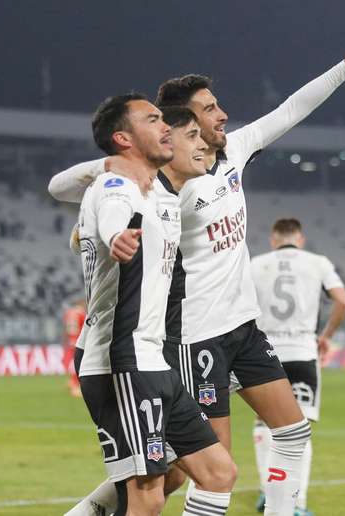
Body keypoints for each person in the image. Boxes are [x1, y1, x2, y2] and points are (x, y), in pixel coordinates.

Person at [49, 17, 345, 515]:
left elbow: (291, 109)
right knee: (184, 474)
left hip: (244, 327)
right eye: (210, 109)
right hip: (193, 337)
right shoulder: (166, 184)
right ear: (180, 125)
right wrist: (104, 206)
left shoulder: (233, 153)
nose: (223, 115)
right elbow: (96, 203)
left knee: (290, 432)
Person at [73, 93, 235, 516]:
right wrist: (114, 235)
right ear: (123, 138)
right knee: (147, 494)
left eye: (165, 120)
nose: (165, 126)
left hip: (154, 362)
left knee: (219, 473)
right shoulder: (115, 184)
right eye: (153, 120)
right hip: (122, 363)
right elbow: (112, 209)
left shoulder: (162, 197)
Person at [249, 218, 345, 515]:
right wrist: (326, 336)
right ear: (300, 239)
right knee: (298, 430)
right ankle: (297, 503)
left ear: (273, 239)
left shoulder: (256, 263)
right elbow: (342, 301)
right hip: (303, 352)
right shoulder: (317, 262)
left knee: (263, 424)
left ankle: (269, 492)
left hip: (263, 355)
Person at [63, 299, 86, 398]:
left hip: (70, 340)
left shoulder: (68, 313)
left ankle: (72, 382)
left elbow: (67, 327)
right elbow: (85, 327)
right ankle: (75, 387)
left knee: (74, 362)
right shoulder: (82, 313)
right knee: (79, 363)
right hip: (79, 341)